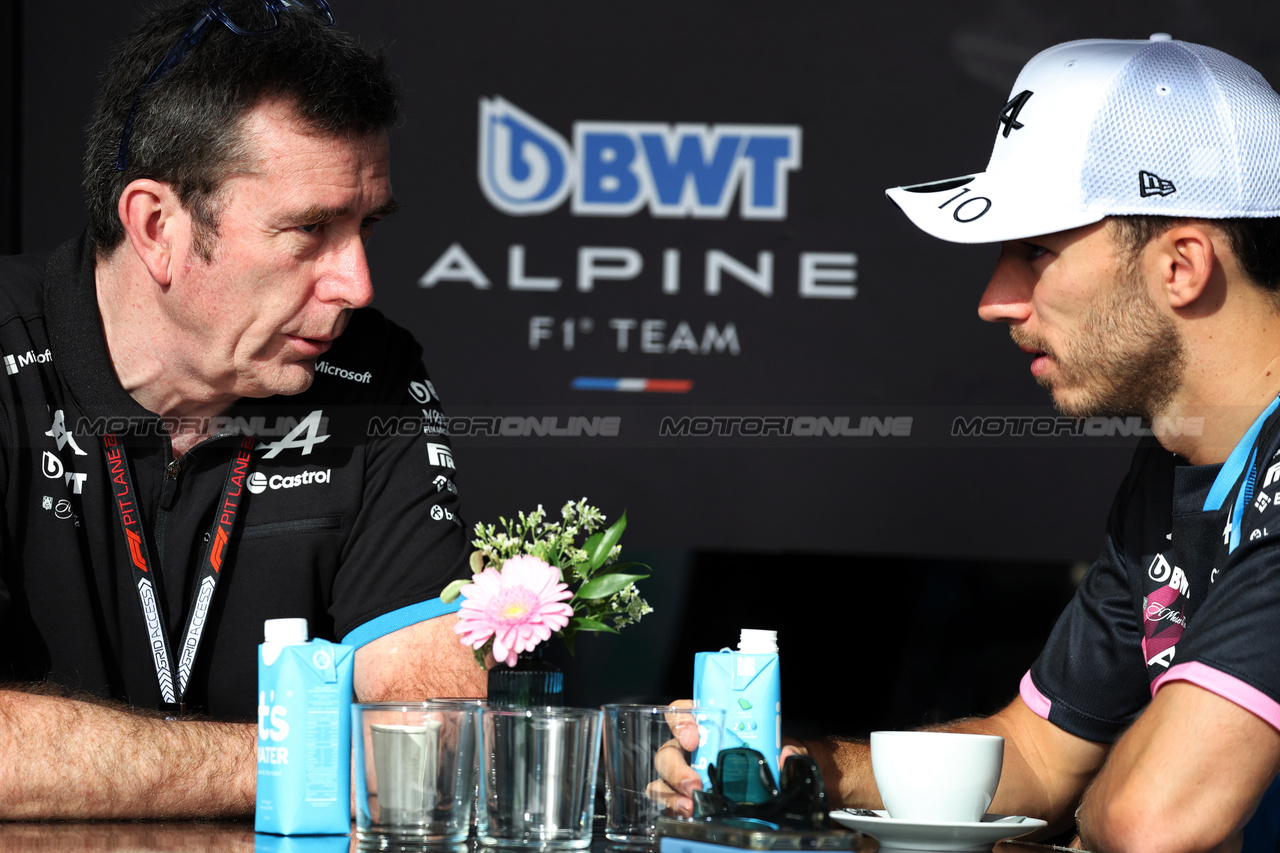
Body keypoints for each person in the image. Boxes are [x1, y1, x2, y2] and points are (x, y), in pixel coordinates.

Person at [662, 34, 1280, 852]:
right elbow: (1035, 752)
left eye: (1035, 251)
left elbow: (1153, 822)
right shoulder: (1170, 473)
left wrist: (1081, 823)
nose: (995, 300)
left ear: (1182, 264)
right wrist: (812, 768)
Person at [0, 0, 486, 819]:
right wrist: (289, 759)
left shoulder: (376, 376)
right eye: (309, 230)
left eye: (365, 226)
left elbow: (427, 739)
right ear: (157, 226)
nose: (357, 285)